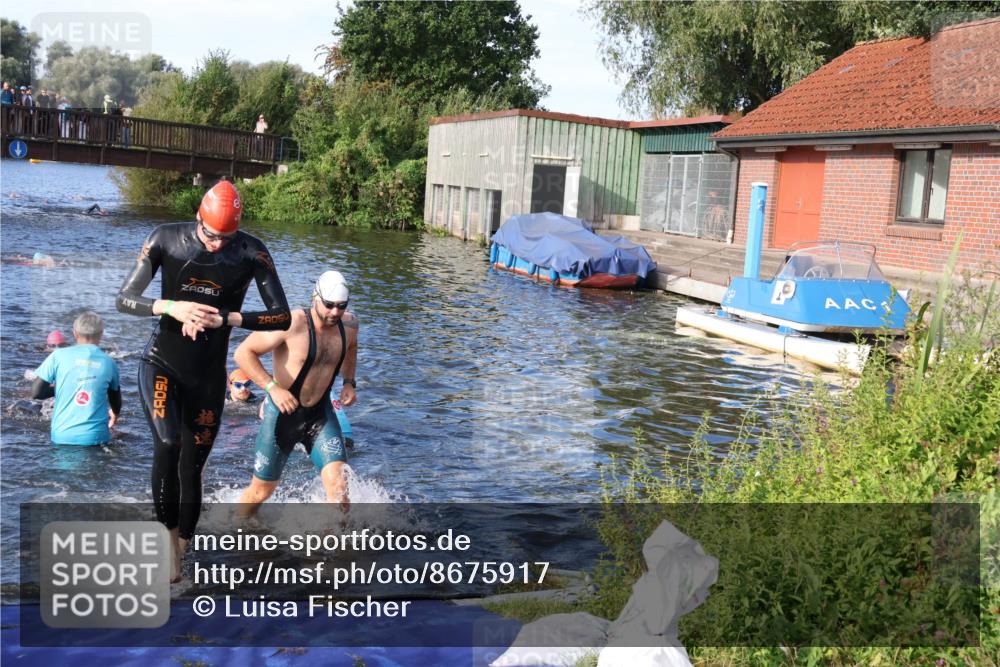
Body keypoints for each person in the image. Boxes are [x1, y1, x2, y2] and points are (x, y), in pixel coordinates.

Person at [116, 179, 291, 581]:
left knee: (192, 466)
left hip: (208, 374)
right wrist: (171, 307)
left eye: (225, 238)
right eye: (211, 235)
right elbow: (124, 298)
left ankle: (183, 548)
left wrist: (229, 318)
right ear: (198, 217)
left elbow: (280, 315)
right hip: (161, 361)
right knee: (167, 442)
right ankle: (166, 542)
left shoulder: (251, 251)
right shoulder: (165, 239)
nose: (216, 245)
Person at [236, 270, 358, 517]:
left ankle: (333, 552)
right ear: (316, 297)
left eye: (341, 306)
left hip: (320, 415)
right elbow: (243, 353)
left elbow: (352, 348)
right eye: (329, 305)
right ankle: (235, 529)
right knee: (261, 492)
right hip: (282, 416)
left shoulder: (350, 325)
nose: (335, 312)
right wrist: (273, 388)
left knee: (340, 491)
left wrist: (349, 382)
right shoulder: (290, 323)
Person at [31, 312, 121, 446]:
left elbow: (36, 392)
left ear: (75, 333)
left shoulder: (58, 356)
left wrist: (62, 387)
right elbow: (115, 399)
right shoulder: (109, 362)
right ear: (101, 334)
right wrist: (114, 414)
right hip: (96, 438)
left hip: (62, 436)